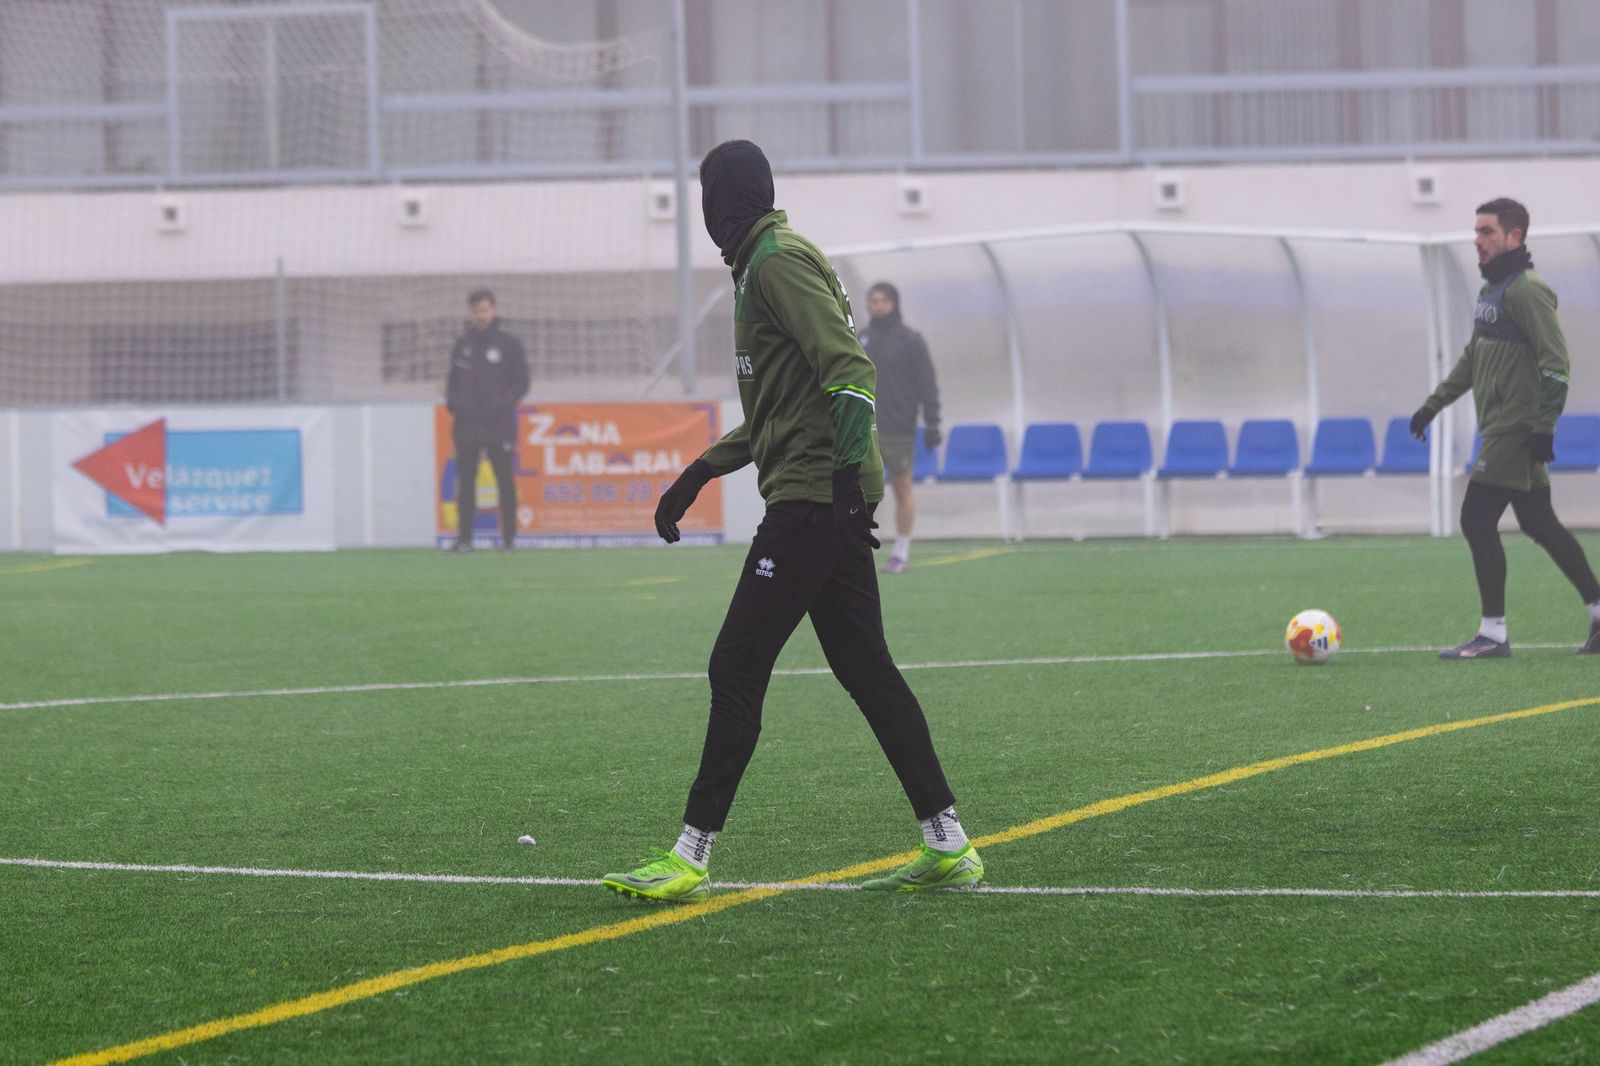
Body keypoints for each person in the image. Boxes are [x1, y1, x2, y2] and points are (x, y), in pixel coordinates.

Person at [602, 140, 983, 901]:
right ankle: (949, 842)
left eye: (709, 194)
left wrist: (843, 487)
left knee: (736, 666)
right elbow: (782, 409)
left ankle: (690, 855)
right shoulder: (760, 264)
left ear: (729, 198)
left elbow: (850, 373)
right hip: (819, 491)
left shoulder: (776, 261)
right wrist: (699, 472)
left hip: (814, 498)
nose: (704, 211)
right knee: (865, 669)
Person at [1409, 197, 1600, 658]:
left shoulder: (1527, 290)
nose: (1477, 240)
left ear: (1515, 236)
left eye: (1487, 232)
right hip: (1500, 427)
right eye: (1475, 231)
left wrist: (1544, 427)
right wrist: (1433, 405)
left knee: (1475, 518)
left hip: (1516, 429)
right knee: (1540, 523)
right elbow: (1474, 358)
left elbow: (1556, 363)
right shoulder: (1491, 291)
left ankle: (1493, 634)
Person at [859, 282, 941, 574]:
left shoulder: (911, 340)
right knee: (860, 489)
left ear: (894, 303)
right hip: (865, 427)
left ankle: (901, 552)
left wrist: (932, 422)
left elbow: (927, 383)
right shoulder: (862, 339)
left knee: (901, 487)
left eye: (883, 300)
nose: (878, 305)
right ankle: (862, 548)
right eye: (874, 300)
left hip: (899, 427)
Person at [445, 288, 529, 552]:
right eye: (475, 310)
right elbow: (452, 382)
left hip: (498, 425)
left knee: (505, 481)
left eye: (484, 309)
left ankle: (509, 539)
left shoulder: (509, 344)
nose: (480, 315)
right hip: (467, 426)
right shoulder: (463, 344)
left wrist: (502, 405)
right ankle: (465, 539)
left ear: (493, 310)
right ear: (470, 312)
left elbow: (522, 383)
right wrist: (455, 405)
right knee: (466, 483)